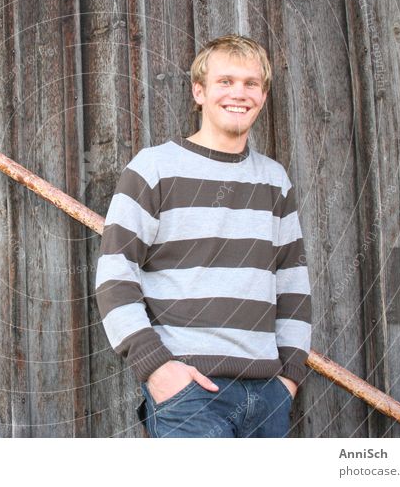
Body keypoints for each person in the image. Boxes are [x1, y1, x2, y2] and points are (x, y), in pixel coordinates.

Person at [94, 34, 312, 438]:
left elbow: (293, 286)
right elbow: (114, 276)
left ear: (262, 96)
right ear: (199, 91)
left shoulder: (274, 181)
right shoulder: (154, 169)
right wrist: (158, 369)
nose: (239, 94)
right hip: (190, 394)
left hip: (268, 395)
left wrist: (289, 379)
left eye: (251, 84)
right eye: (225, 81)